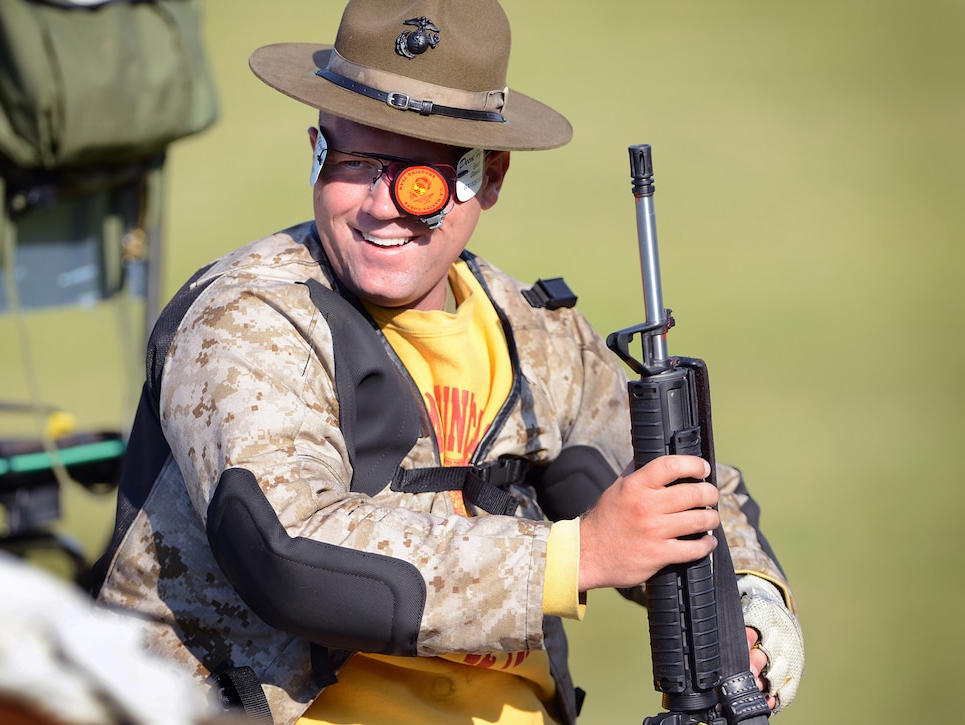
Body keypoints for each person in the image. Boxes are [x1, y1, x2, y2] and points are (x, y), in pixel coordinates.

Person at [91, 1, 804, 723]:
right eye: (353, 163)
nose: (380, 207)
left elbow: (668, 486)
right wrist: (578, 555)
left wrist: (745, 601)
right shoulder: (246, 320)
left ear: (489, 178)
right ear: (314, 149)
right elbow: (290, 552)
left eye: (419, 181)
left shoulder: (533, 330)